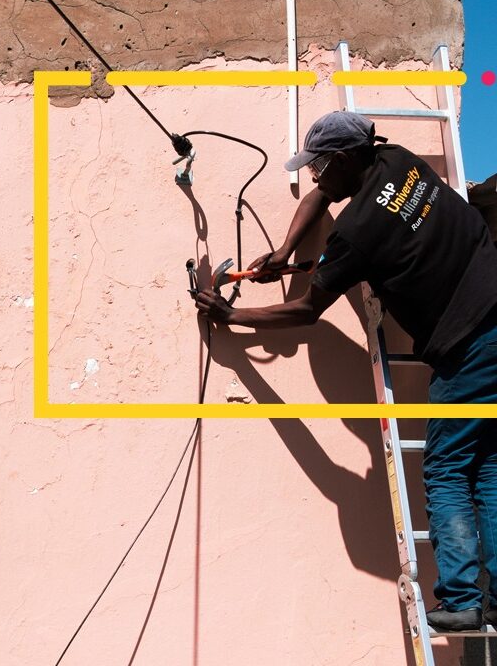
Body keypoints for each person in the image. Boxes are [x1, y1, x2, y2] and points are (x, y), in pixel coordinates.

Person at [193, 110, 497, 632]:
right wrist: (287, 250)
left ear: (343, 159)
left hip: (469, 345)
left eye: (319, 166)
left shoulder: (357, 233)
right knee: (488, 468)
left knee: (446, 469)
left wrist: (232, 316)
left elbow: (307, 310)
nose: (313, 177)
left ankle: (463, 599)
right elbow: (324, 196)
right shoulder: (398, 161)